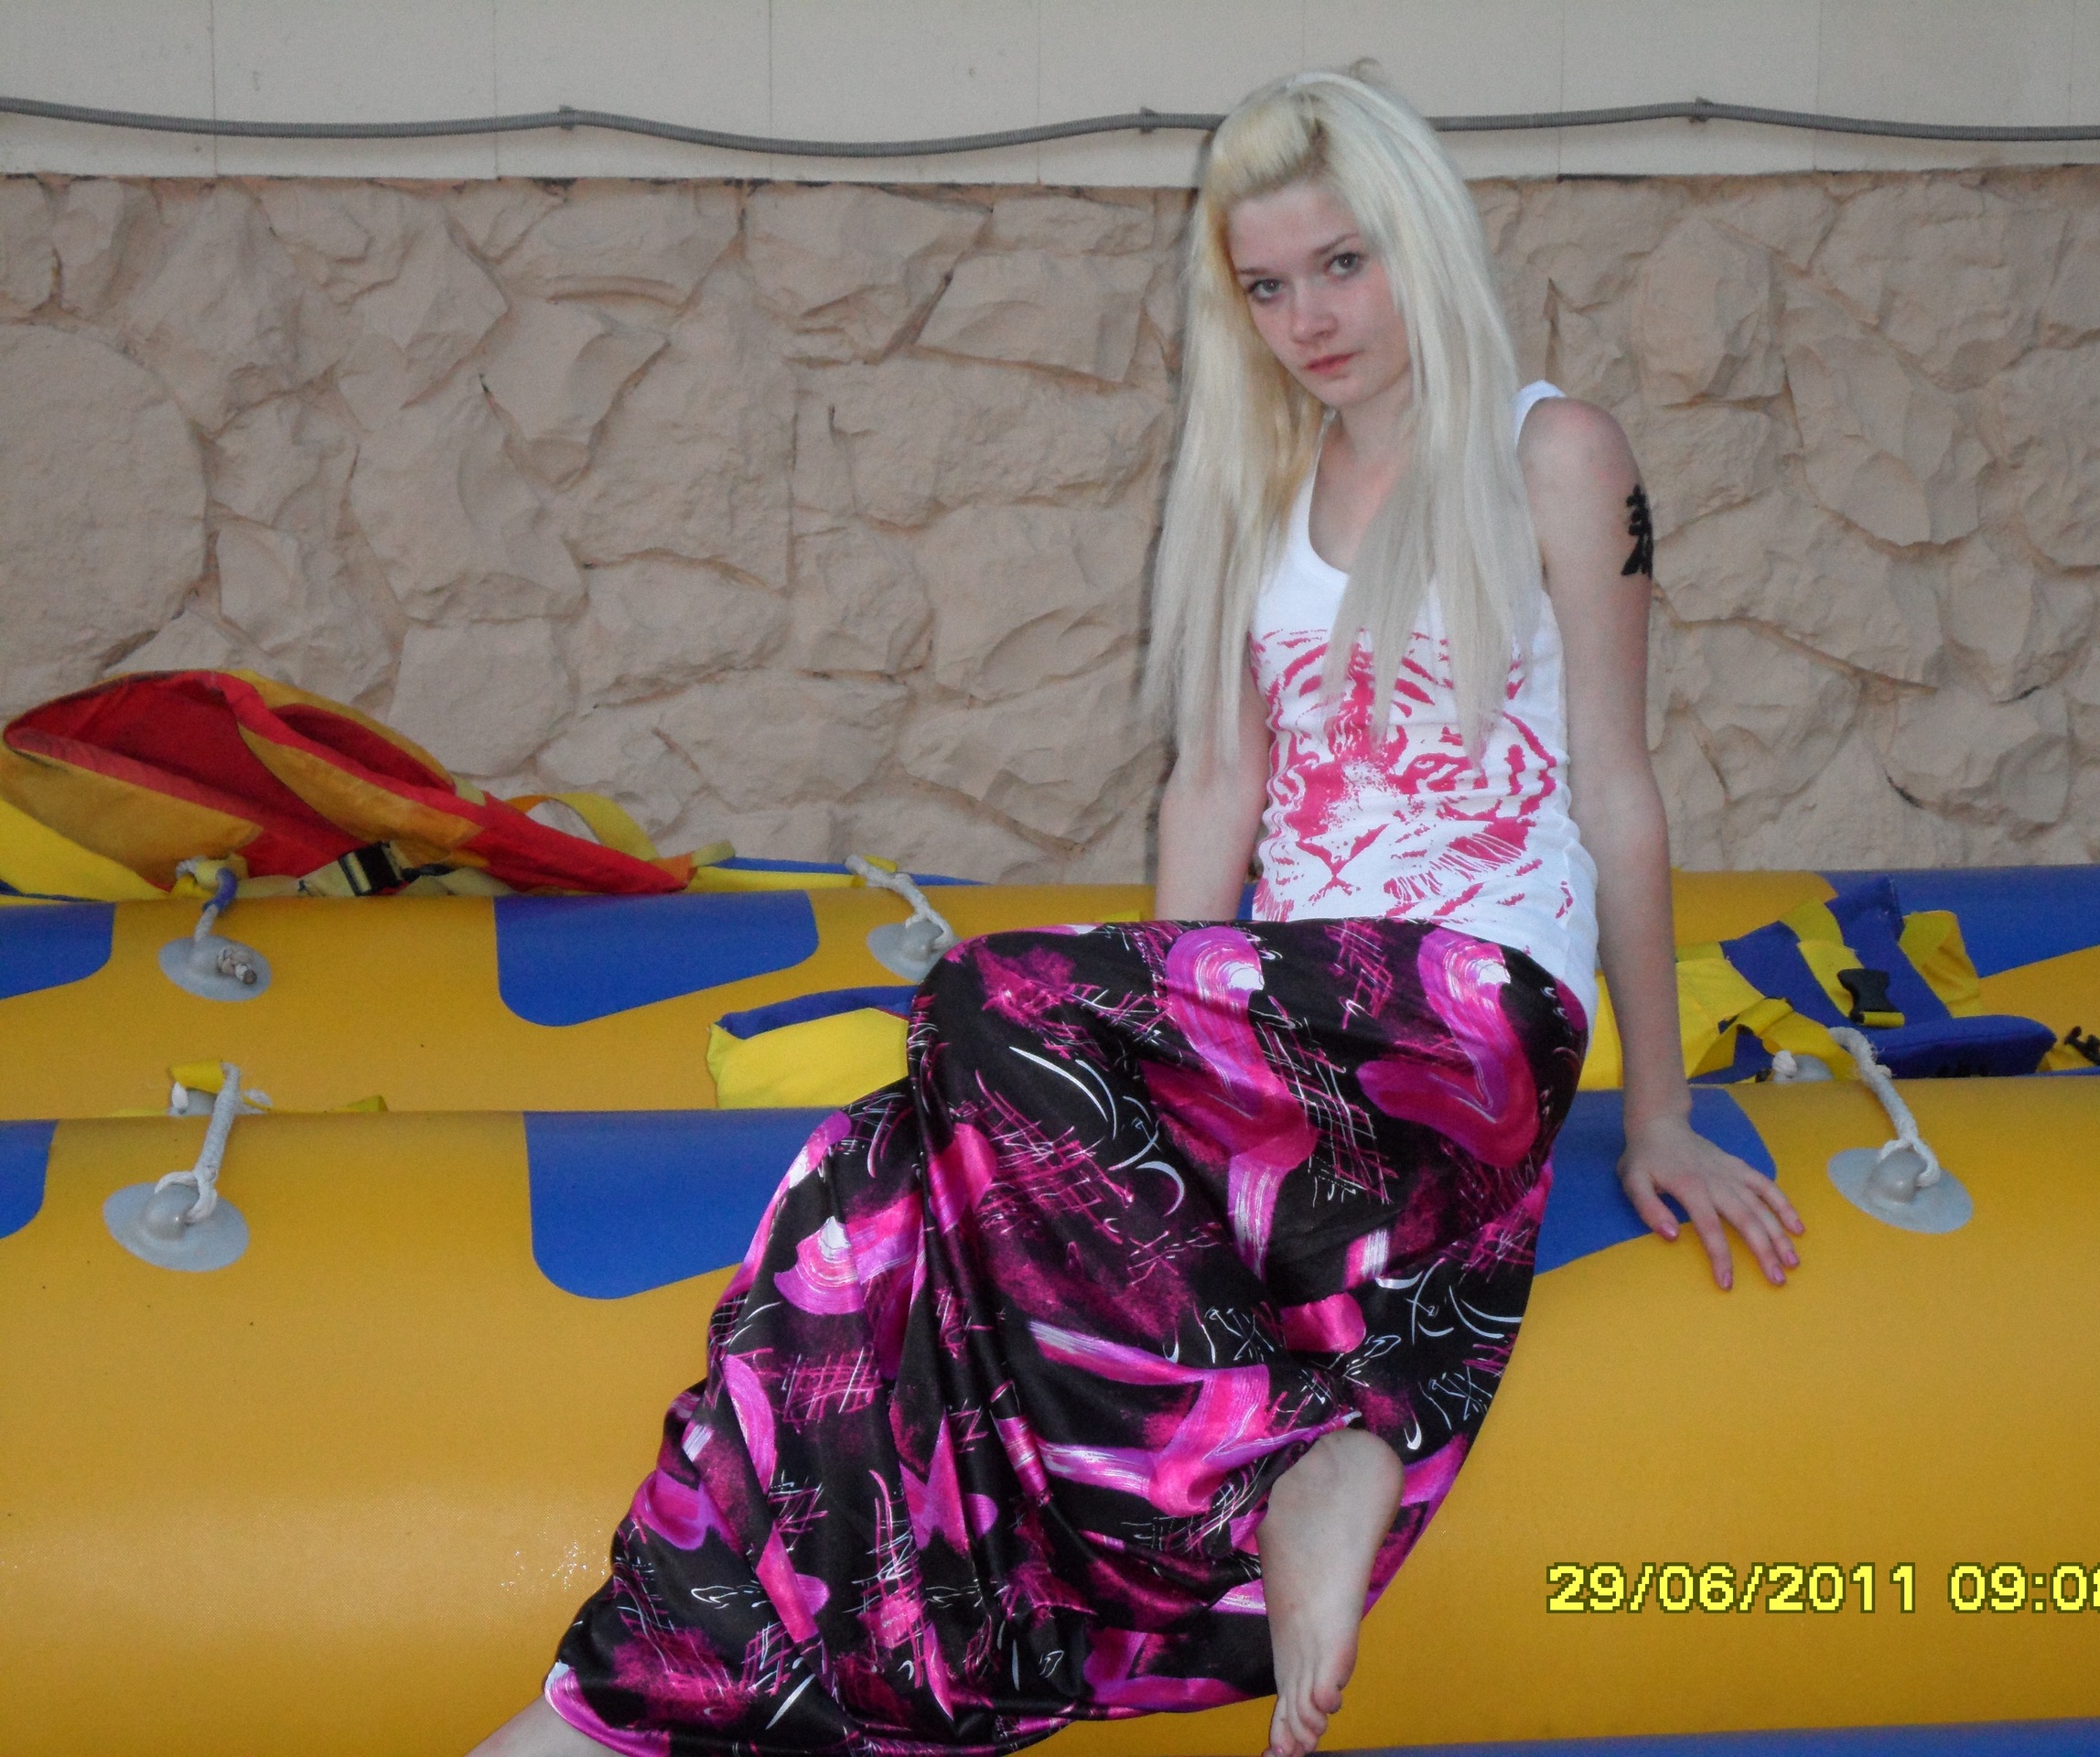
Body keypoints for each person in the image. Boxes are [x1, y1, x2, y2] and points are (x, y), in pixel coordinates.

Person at [471, 67, 1801, 1757]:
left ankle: (1272, 1474)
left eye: (1344, 265)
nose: (1310, 319)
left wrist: (1658, 1114)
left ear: (1423, 242)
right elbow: (1214, 794)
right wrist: (1156, 1047)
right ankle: (648, 1685)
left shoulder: (1555, 452)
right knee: (865, 1200)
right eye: (1268, 286)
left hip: (1468, 1020)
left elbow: (1618, 785)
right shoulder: (1259, 488)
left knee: (976, 999)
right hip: (1284, 1022)